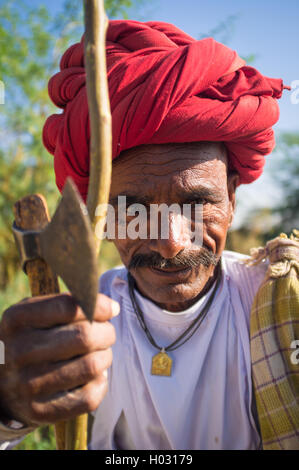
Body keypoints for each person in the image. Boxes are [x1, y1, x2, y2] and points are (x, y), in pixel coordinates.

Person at [0, 20, 290, 450]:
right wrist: (7, 405)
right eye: (131, 209)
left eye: (195, 204)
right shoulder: (74, 320)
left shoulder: (282, 309)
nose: (170, 241)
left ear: (231, 196)